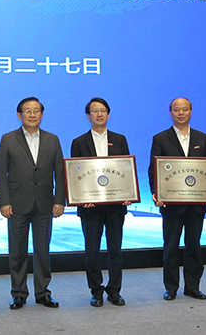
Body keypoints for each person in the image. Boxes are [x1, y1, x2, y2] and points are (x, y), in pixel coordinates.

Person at [148, 97, 206, 301]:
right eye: (176, 110)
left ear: (191, 111)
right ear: (170, 113)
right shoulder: (160, 138)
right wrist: (156, 194)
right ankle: (171, 287)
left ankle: (193, 287)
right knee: (170, 247)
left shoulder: (203, 138)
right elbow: (153, 171)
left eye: (185, 109)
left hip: (196, 205)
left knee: (194, 246)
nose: (181, 113)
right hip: (171, 205)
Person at [0, 97, 65, 310]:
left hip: (45, 203)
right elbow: (0, 172)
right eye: (28, 111)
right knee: (17, 252)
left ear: (42, 115)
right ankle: (18, 293)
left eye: (36, 111)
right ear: (19, 115)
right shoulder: (8, 139)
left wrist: (59, 200)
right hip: (17, 204)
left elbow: (60, 173)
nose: (32, 114)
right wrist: (4, 201)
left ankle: (43, 293)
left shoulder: (53, 139)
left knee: (43, 252)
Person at [70, 97, 130, 307]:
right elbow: (75, 174)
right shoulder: (79, 142)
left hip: (115, 206)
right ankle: (96, 291)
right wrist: (81, 198)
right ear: (88, 116)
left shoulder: (120, 139)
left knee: (115, 251)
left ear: (108, 114)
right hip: (90, 207)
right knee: (91, 252)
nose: (99, 114)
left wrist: (127, 193)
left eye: (103, 110)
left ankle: (115, 290)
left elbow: (125, 169)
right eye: (95, 111)